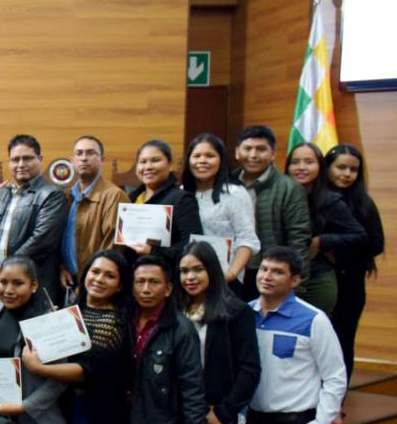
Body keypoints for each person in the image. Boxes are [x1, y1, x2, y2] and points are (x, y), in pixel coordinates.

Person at [23, 249, 132, 424]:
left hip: (92, 411)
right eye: (95, 271)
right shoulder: (71, 312)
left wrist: (38, 368)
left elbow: (87, 372)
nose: (99, 279)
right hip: (62, 407)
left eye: (110, 276)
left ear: (120, 285)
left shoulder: (113, 322)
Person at [246, 246, 348, 424]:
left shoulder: (313, 319)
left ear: (295, 280)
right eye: (263, 269)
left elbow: (335, 377)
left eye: (277, 272)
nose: (266, 276)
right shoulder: (244, 315)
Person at [175, 241, 261, 424]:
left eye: (197, 269)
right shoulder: (174, 310)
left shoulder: (236, 311)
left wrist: (224, 413)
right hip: (178, 413)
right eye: (184, 271)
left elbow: (249, 370)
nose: (190, 277)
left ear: (212, 270)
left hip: (214, 415)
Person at [0, 256, 67, 424]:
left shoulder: (50, 321)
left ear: (34, 285)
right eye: (3, 282)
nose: (8, 290)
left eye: (18, 283)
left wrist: (24, 407)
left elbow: (59, 381)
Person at [123, 254, 206, 424]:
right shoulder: (123, 321)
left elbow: (193, 388)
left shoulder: (181, 330)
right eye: (140, 282)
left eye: (154, 282)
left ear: (168, 289)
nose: (146, 289)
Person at [0, 135, 68, 304]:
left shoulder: (52, 195)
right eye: (15, 159)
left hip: (35, 285)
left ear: (40, 159)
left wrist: (6, 270)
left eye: (27, 158)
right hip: (0, 286)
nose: (21, 164)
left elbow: (41, 240)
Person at [324, 144, 385, 383]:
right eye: (341, 167)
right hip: (319, 281)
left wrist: (339, 252)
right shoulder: (315, 198)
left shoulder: (364, 203)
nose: (347, 174)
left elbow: (376, 243)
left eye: (353, 169)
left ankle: (339, 395)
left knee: (343, 341)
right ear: (327, 167)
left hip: (350, 283)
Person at [284, 142, 366, 316]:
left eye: (309, 162)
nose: (301, 167)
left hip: (317, 278)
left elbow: (359, 236)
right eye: (295, 162)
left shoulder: (329, 199)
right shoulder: (281, 194)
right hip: (280, 276)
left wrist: (322, 241)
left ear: (320, 166)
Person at [235, 125, 312, 299]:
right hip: (234, 272)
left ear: (273, 154)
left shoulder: (290, 188)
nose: (253, 155)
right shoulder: (227, 184)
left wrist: (296, 289)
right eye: (248, 149)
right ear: (237, 152)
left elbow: (299, 239)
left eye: (261, 149)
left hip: (270, 275)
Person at [181, 133, 260, 290]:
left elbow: (247, 239)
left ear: (221, 160)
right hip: (188, 279)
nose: (202, 161)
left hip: (225, 280)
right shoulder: (181, 193)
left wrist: (231, 274)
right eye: (196, 156)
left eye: (210, 156)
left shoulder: (234, 193)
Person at [60, 135, 129, 299]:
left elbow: (112, 247)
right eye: (79, 153)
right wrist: (61, 267)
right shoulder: (66, 197)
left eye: (90, 153)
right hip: (68, 282)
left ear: (102, 159)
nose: (84, 158)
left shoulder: (114, 195)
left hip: (96, 285)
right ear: (72, 161)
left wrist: (89, 281)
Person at [126, 140, 203, 265]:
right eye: (143, 162)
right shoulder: (131, 199)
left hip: (165, 272)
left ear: (170, 164)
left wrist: (152, 251)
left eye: (155, 160)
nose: (148, 167)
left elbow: (192, 246)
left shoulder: (182, 199)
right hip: (132, 271)